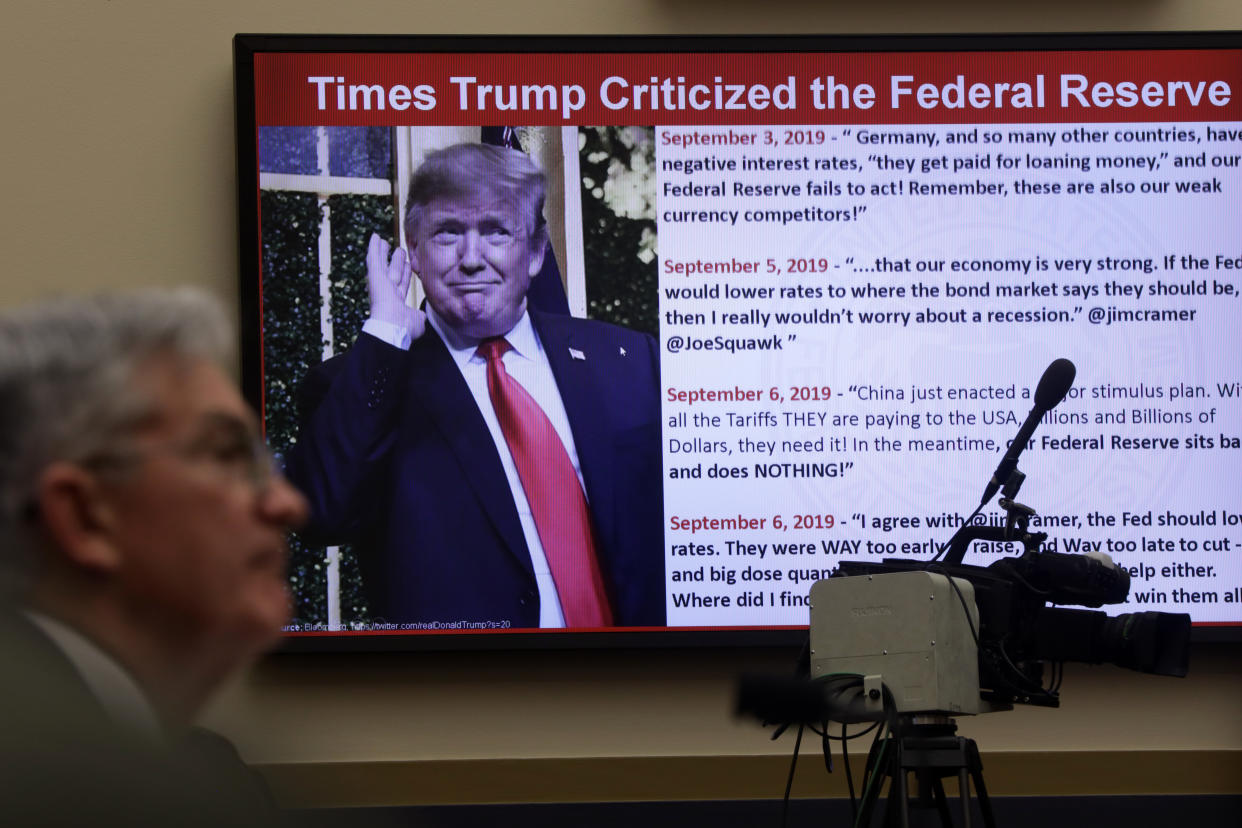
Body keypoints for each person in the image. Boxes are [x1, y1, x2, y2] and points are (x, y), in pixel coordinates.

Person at [288, 142, 665, 629]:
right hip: (466, 692)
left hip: (637, 684)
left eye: (495, 232)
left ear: (532, 252)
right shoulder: (360, 382)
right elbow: (323, 512)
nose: (471, 259)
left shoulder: (628, 361)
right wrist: (385, 334)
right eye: (448, 234)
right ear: (415, 249)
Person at [0, 288, 309, 826]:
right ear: (85, 515)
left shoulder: (202, 773)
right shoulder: (65, 785)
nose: (286, 504)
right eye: (226, 454)